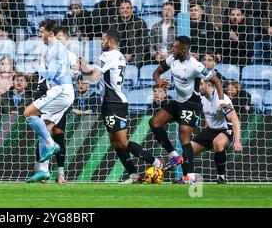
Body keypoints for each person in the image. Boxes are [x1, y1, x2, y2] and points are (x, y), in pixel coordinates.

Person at [79, 29, 165, 184]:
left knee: (123, 142)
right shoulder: (119, 55)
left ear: (111, 41)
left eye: (103, 38)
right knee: (115, 143)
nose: (101, 41)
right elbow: (94, 72)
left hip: (114, 102)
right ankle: (134, 175)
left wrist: (78, 73)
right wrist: (83, 67)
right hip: (112, 101)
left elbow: (93, 78)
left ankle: (156, 162)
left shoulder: (106, 55)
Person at [148, 35, 228, 184]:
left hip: (191, 103)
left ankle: (190, 177)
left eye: (175, 47)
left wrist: (221, 100)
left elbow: (216, 80)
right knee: (154, 123)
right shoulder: (172, 59)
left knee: (184, 138)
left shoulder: (195, 65)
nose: (172, 49)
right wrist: (159, 81)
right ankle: (173, 155)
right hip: (177, 102)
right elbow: (156, 72)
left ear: (183, 49)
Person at [24, 20, 74, 183]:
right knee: (43, 128)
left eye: (42, 31)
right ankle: (44, 171)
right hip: (58, 92)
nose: (40, 34)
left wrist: (36, 67)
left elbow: (51, 75)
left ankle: (51, 144)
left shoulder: (57, 50)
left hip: (60, 92)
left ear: (50, 34)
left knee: (28, 113)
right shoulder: (50, 49)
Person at [192, 79, 242, 183]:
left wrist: (237, 141)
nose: (199, 87)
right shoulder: (202, 97)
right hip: (211, 129)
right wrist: (205, 132)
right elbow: (208, 114)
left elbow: (235, 120)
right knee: (188, 149)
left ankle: (221, 177)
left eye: (201, 84)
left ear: (209, 85)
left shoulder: (222, 99)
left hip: (226, 129)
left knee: (218, 142)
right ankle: (188, 177)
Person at [115, 0, 149, 68]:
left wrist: (132, 55)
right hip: (118, 54)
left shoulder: (140, 23)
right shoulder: (114, 24)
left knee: (136, 60)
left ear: (132, 9)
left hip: (135, 55)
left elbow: (144, 43)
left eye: (128, 8)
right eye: (122, 8)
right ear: (119, 10)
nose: (125, 10)